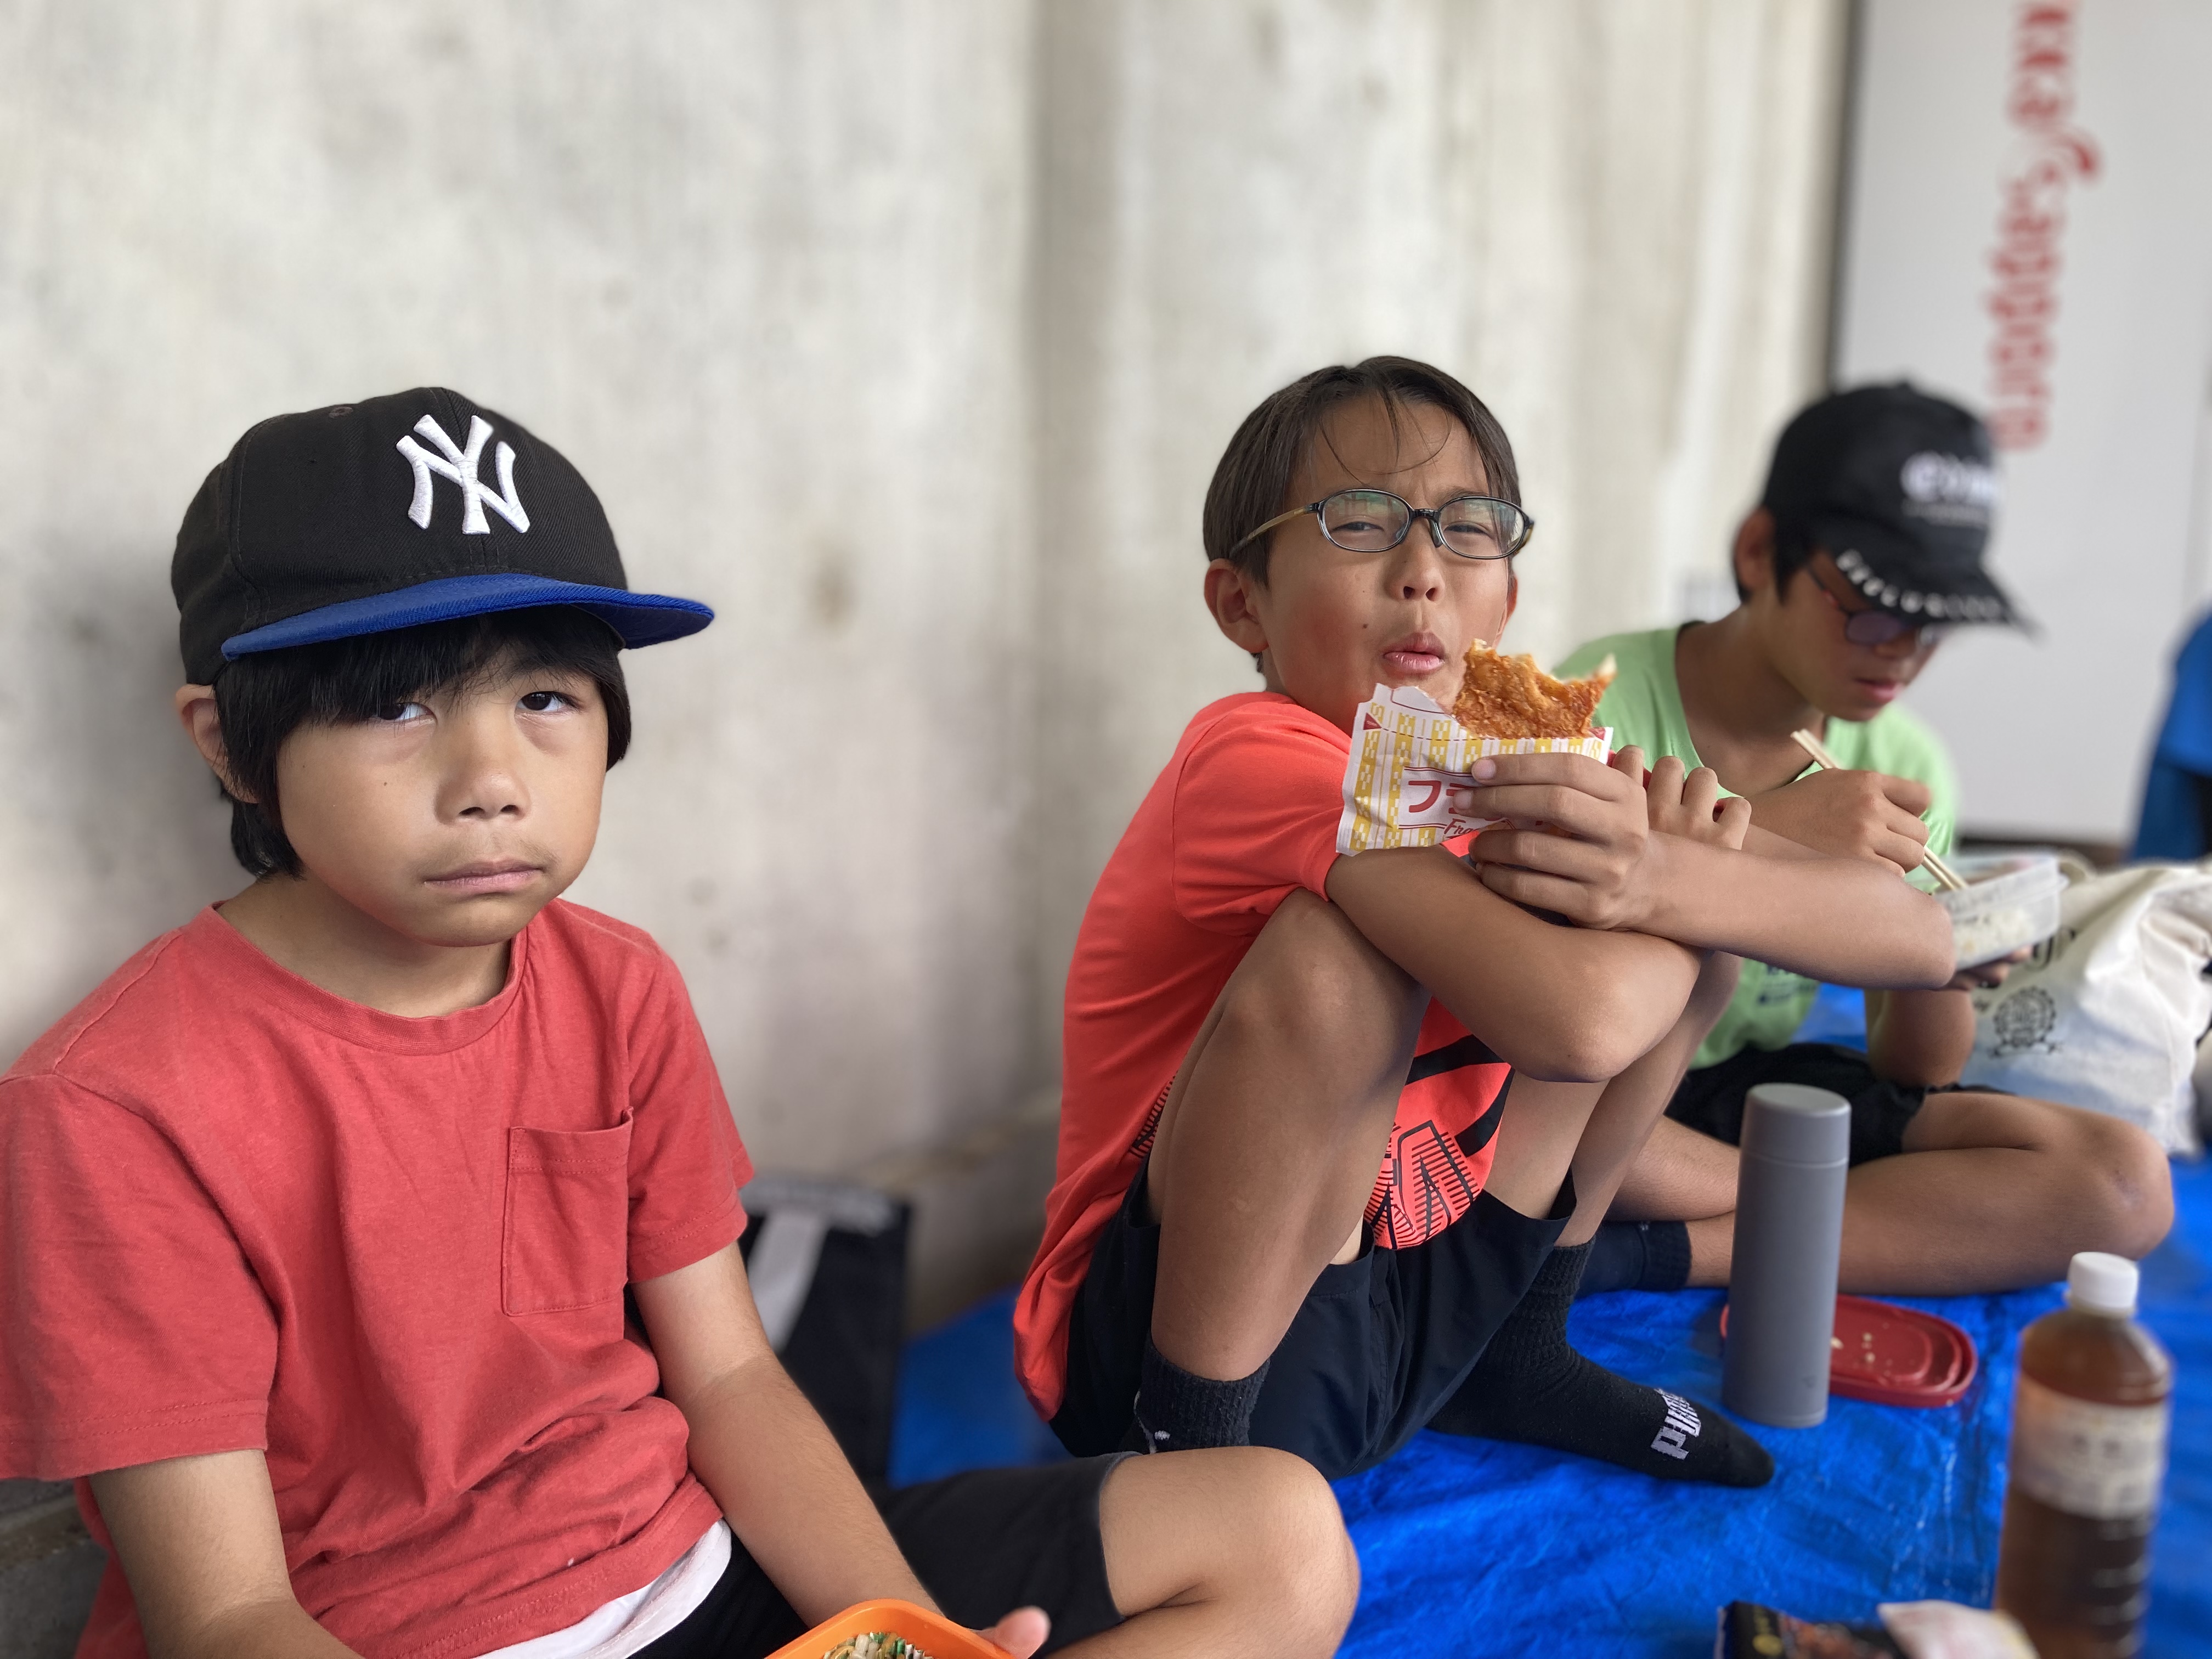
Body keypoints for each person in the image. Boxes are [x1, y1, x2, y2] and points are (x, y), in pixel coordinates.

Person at [0, 390, 1359, 1659]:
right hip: (410, 1635)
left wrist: (894, 1638)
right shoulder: (115, 1103)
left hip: (700, 1574)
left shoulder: (616, 984)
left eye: (544, 698)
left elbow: (728, 1378)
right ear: (227, 743)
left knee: (1278, 1540)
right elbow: (228, 1614)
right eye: (395, 704)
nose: (491, 780)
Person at [1014, 358, 1958, 1493]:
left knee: (1677, 913)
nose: (1422, 570)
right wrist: (1691, 874)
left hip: (1414, 1294)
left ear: (1504, 601)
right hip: (1172, 1339)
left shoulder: (1516, 763)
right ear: (1241, 604)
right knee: (1342, 954)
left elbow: (1923, 943)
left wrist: (1684, 869)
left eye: (1468, 530)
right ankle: (1189, 1471)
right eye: (1360, 523)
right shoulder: (1255, 756)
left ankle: (1517, 1346)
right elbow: (1576, 1025)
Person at [1556, 383, 2174, 1298]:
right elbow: (1544, 998)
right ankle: (1809, 1208)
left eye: (1934, 624)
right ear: (1760, 552)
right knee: (1514, 1127)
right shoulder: (1597, 705)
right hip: (1597, 1089)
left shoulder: (1902, 762)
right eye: (1874, 610)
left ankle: (1666, 1252)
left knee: (2121, 1184)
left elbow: (1916, 1070)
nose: (1902, 653)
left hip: (1745, 1099)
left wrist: (1942, 954)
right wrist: (1772, 834)